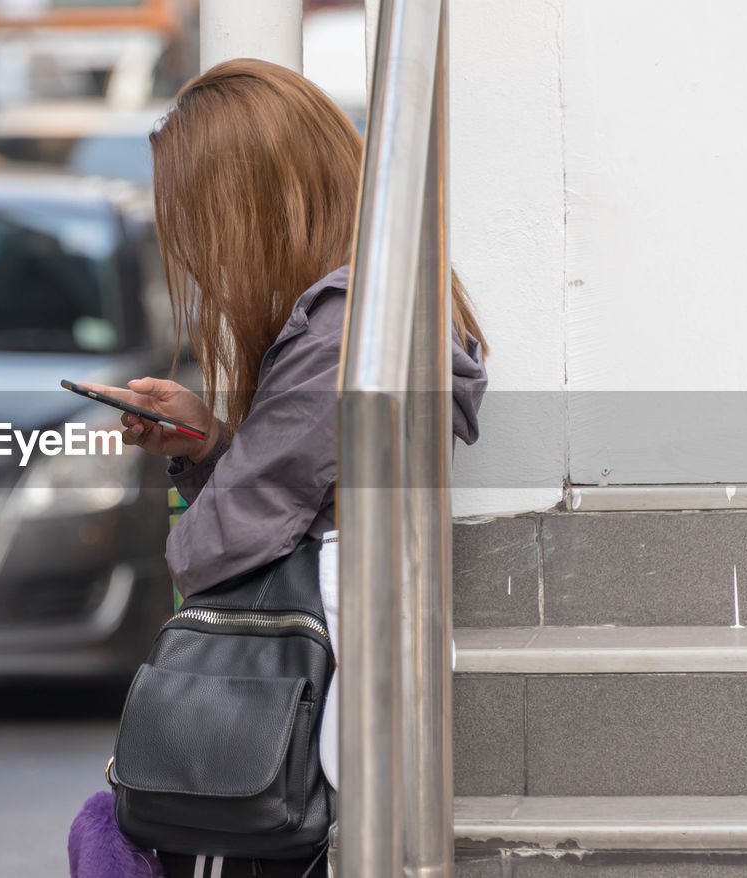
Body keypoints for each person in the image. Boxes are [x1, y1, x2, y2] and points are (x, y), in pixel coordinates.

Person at [88, 58, 489, 877]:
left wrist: (211, 497)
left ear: (260, 205)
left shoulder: (341, 335)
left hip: (313, 724)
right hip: (338, 700)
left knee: (118, 827)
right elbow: (295, 490)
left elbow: (215, 548)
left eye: (202, 221)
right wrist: (207, 444)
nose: (198, 253)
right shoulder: (379, 310)